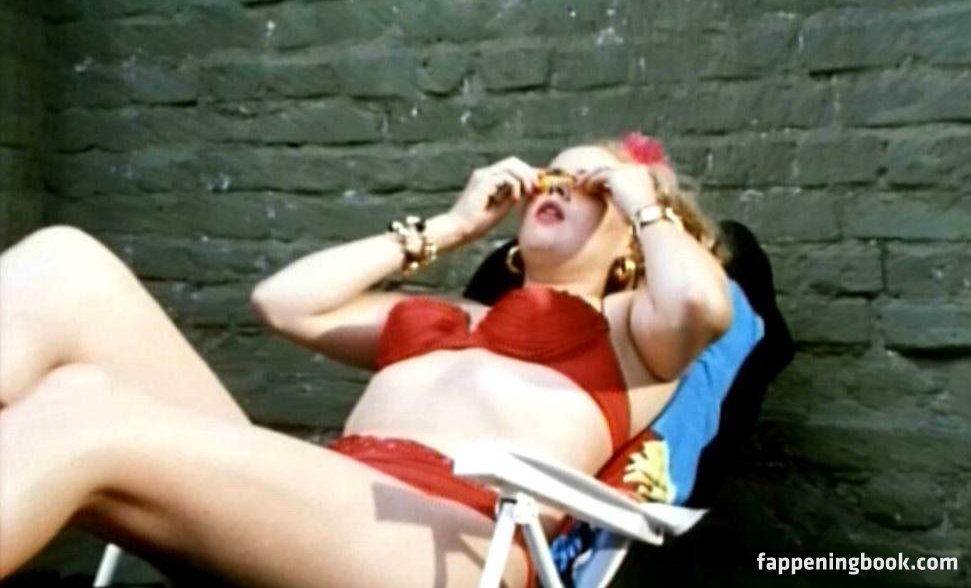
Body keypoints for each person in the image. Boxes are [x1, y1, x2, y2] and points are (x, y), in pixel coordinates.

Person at [0, 133, 731, 587]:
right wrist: (448, 228)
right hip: (328, 514)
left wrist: (639, 195)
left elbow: (702, 303)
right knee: (66, 266)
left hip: (445, 546)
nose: (564, 185)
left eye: (592, 186)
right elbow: (285, 303)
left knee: (80, 412)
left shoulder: (635, 334)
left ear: (635, 244)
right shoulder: (451, 316)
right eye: (554, 175)